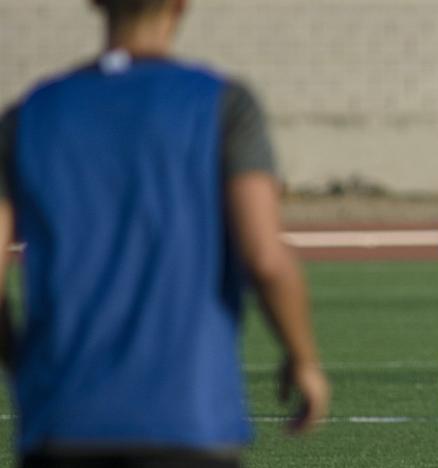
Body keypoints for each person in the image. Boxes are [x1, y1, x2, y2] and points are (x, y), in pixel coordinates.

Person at [0, 1, 330, 467]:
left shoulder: (28, 115)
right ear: (180, 7)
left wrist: (22, 363)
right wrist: (303, 359)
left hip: (61, 420)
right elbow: (265, 258)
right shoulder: (223, 104)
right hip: (188, 421)